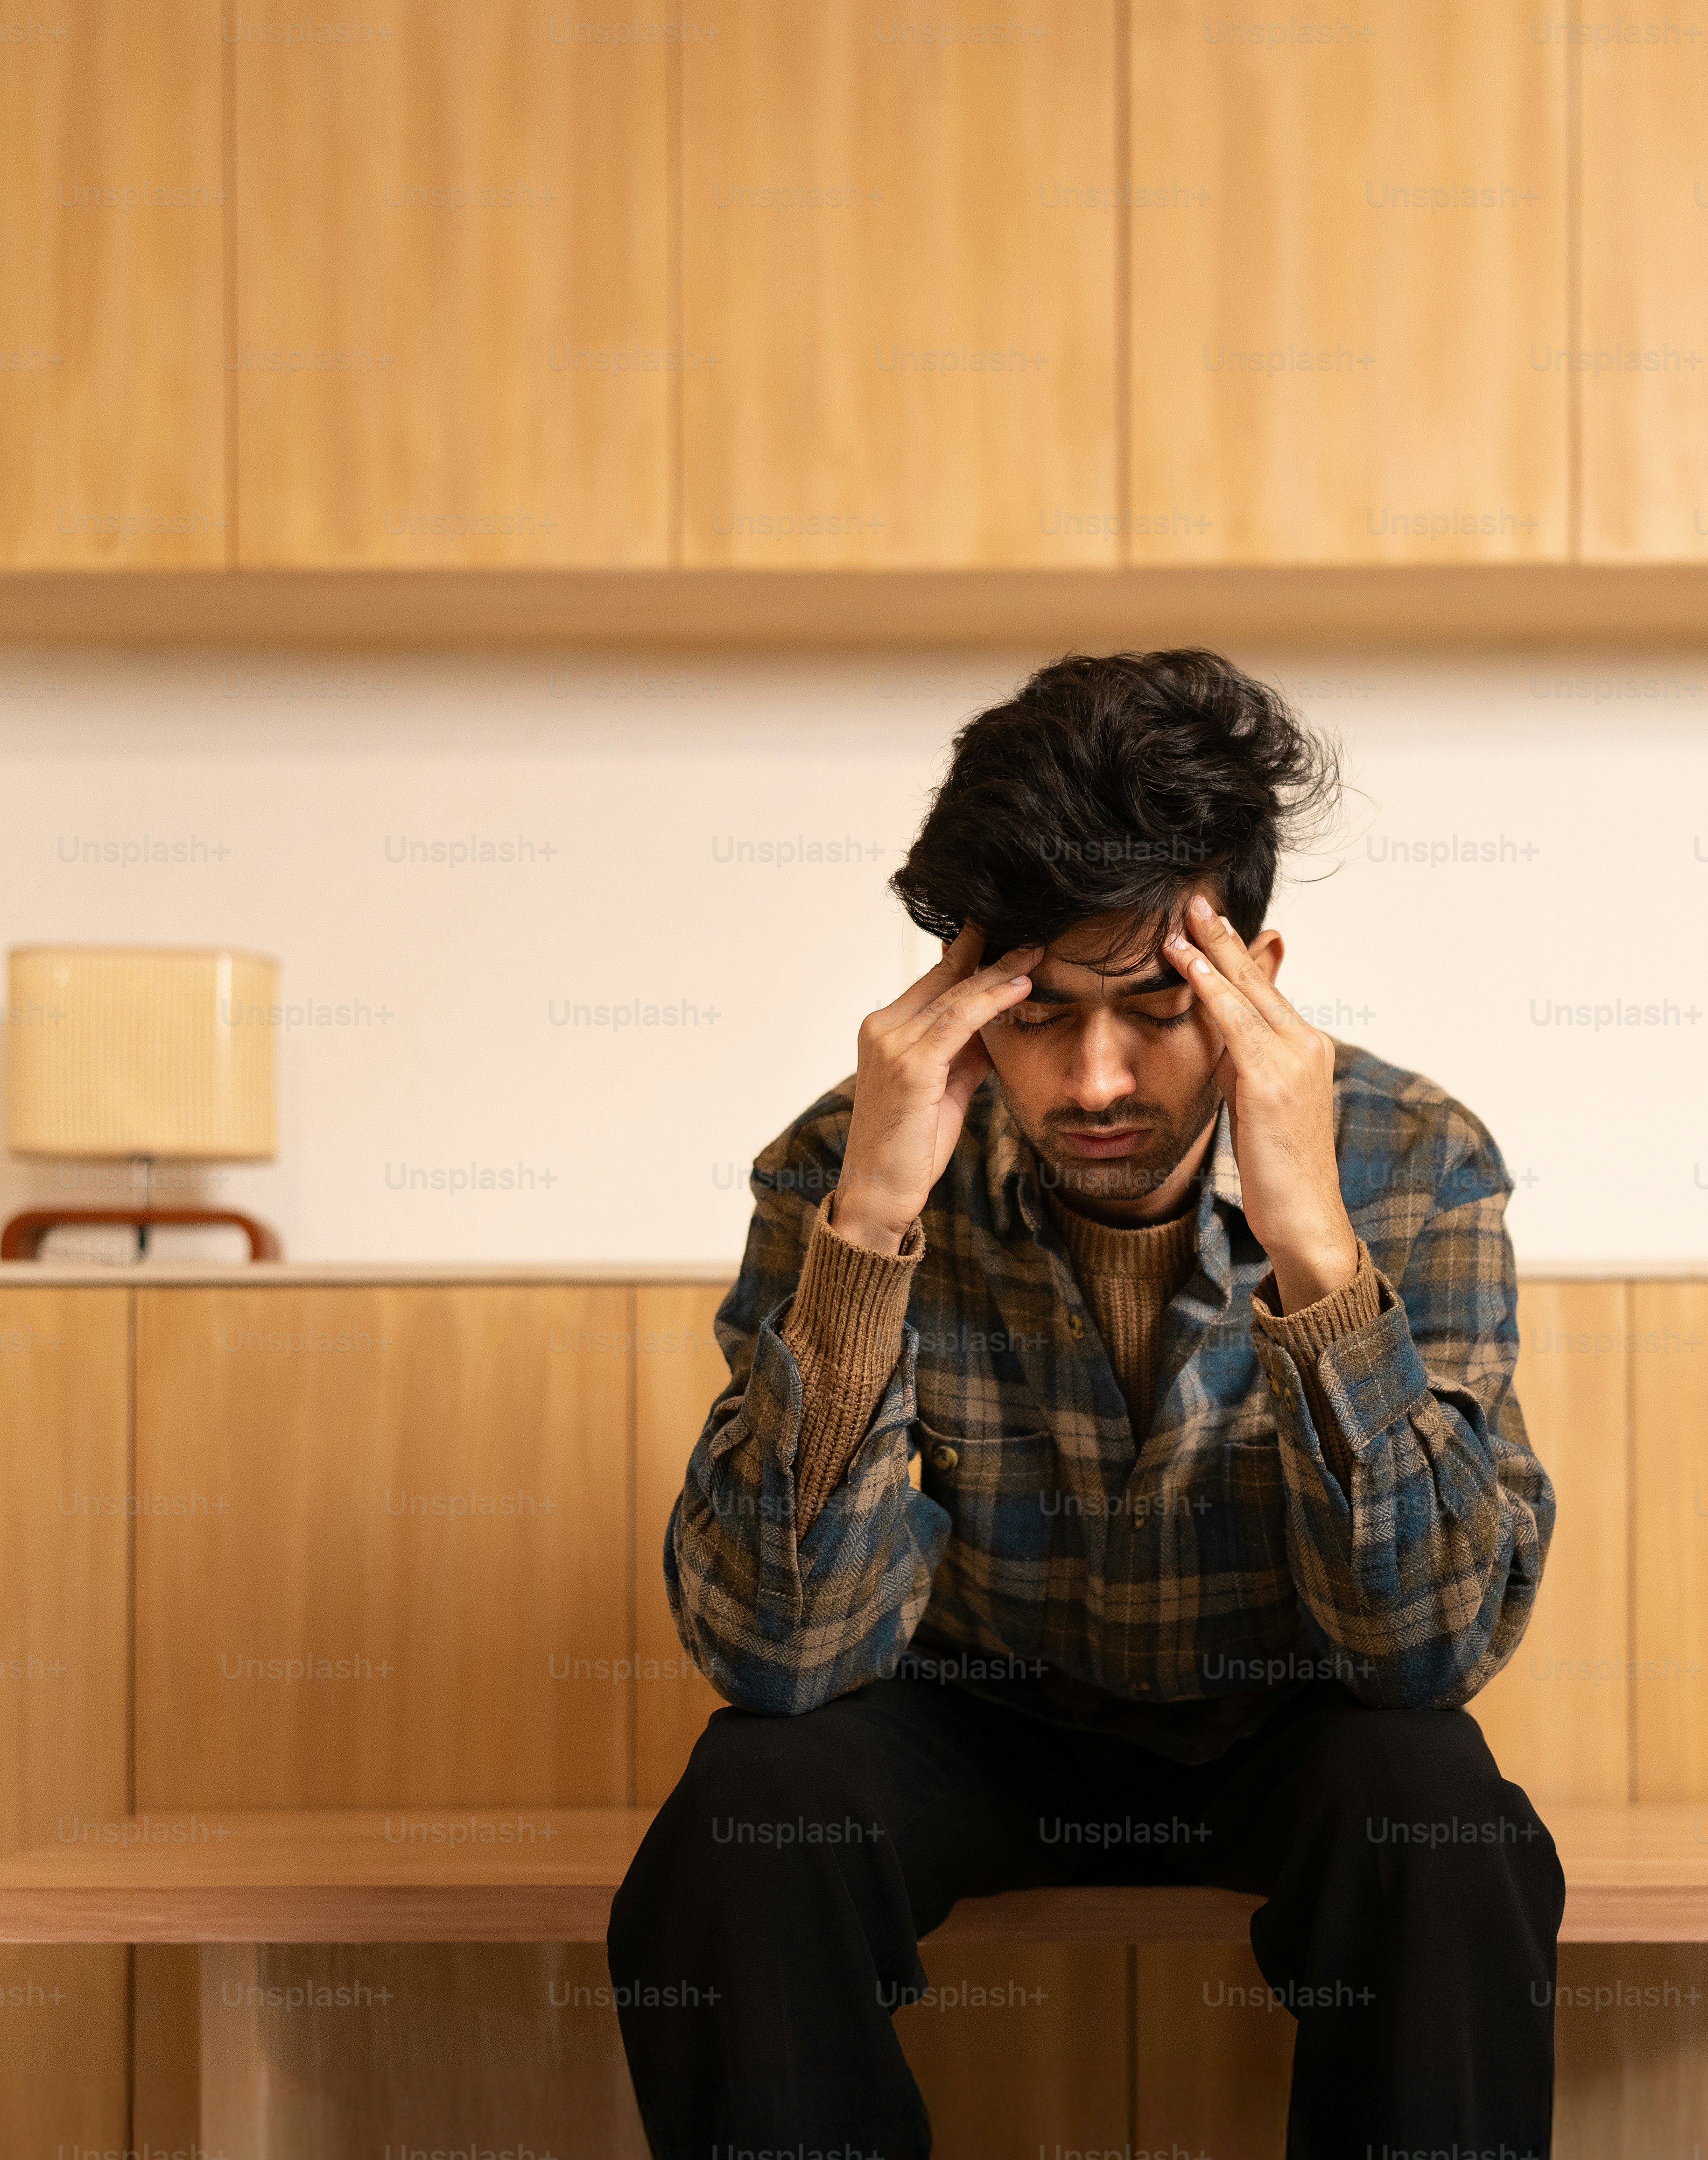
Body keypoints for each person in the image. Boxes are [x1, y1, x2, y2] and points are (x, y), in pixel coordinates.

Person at [608, 649, 1560, 2160]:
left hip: (1288, 1717)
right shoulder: (845, 1162)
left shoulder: (1413, 1157)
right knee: (748, 1810)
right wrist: (866, 1229)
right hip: (976, 1712)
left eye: (1155, 1009)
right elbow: (776, 1653)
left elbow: (1432, 1645)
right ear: (959, 1001)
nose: (1094, 1077)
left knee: (1438, 1818)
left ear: (1257, 979)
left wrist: (1314, 1235)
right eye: (1038, 1013)